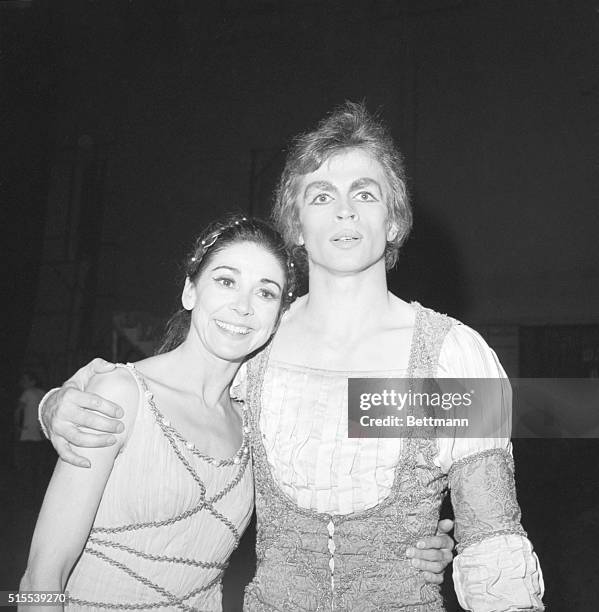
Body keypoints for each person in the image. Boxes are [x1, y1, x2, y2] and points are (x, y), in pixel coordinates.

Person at [37, 102, 542, 610]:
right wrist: (57, 403)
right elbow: (159, 395)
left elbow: (492, 536)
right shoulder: (253, 344)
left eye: (364, 193)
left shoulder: (455, 357)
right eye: (321, 196)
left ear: (393, 221)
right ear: (296, 227)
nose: (345, 210)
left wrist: (430, 546)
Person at [21, 217, 295, 610]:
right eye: (226, 281)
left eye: (266, 293)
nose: (243, 306)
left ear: (278, 318)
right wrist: (51, 404)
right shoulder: (122, 394)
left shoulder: (256, 420)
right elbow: (39, 579)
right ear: (190, 290)